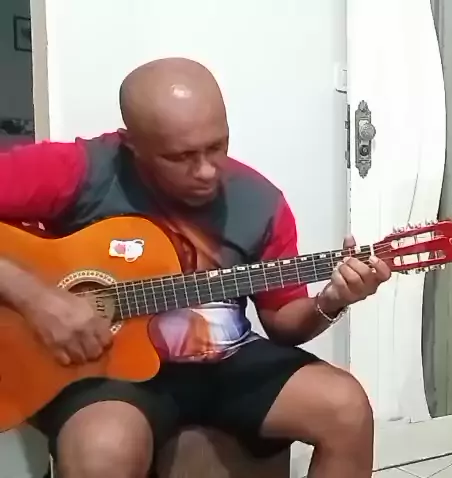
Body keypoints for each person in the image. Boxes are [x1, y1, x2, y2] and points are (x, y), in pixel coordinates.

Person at [0, 57, 391, 478]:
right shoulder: (82, 169)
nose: (206, 170)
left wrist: (330, 302)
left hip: (223, 359)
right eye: (181, 156)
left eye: (217, 146)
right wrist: (36, 299)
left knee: (346, 407)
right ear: (132, 144)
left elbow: (283, 323)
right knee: (103, 450)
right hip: (108, 370)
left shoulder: (259, 202)